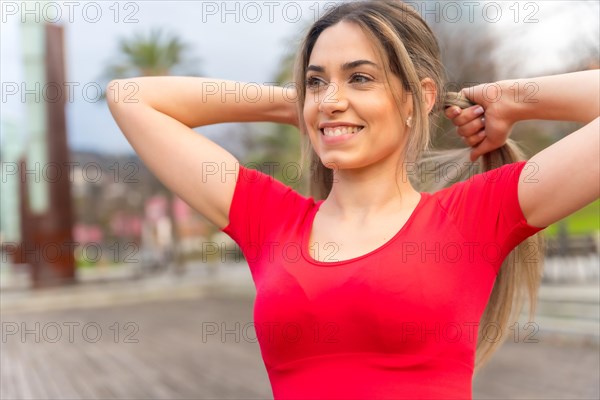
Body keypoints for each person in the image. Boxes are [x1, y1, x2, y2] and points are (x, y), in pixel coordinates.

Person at [106, 1, 599, 398]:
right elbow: (130, 97)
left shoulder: (473, 217)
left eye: (360, 77)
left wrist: (516, 97)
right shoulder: (268, 218)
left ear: (418, 97)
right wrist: (295, 103)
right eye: (317, 80)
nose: (330, 97)